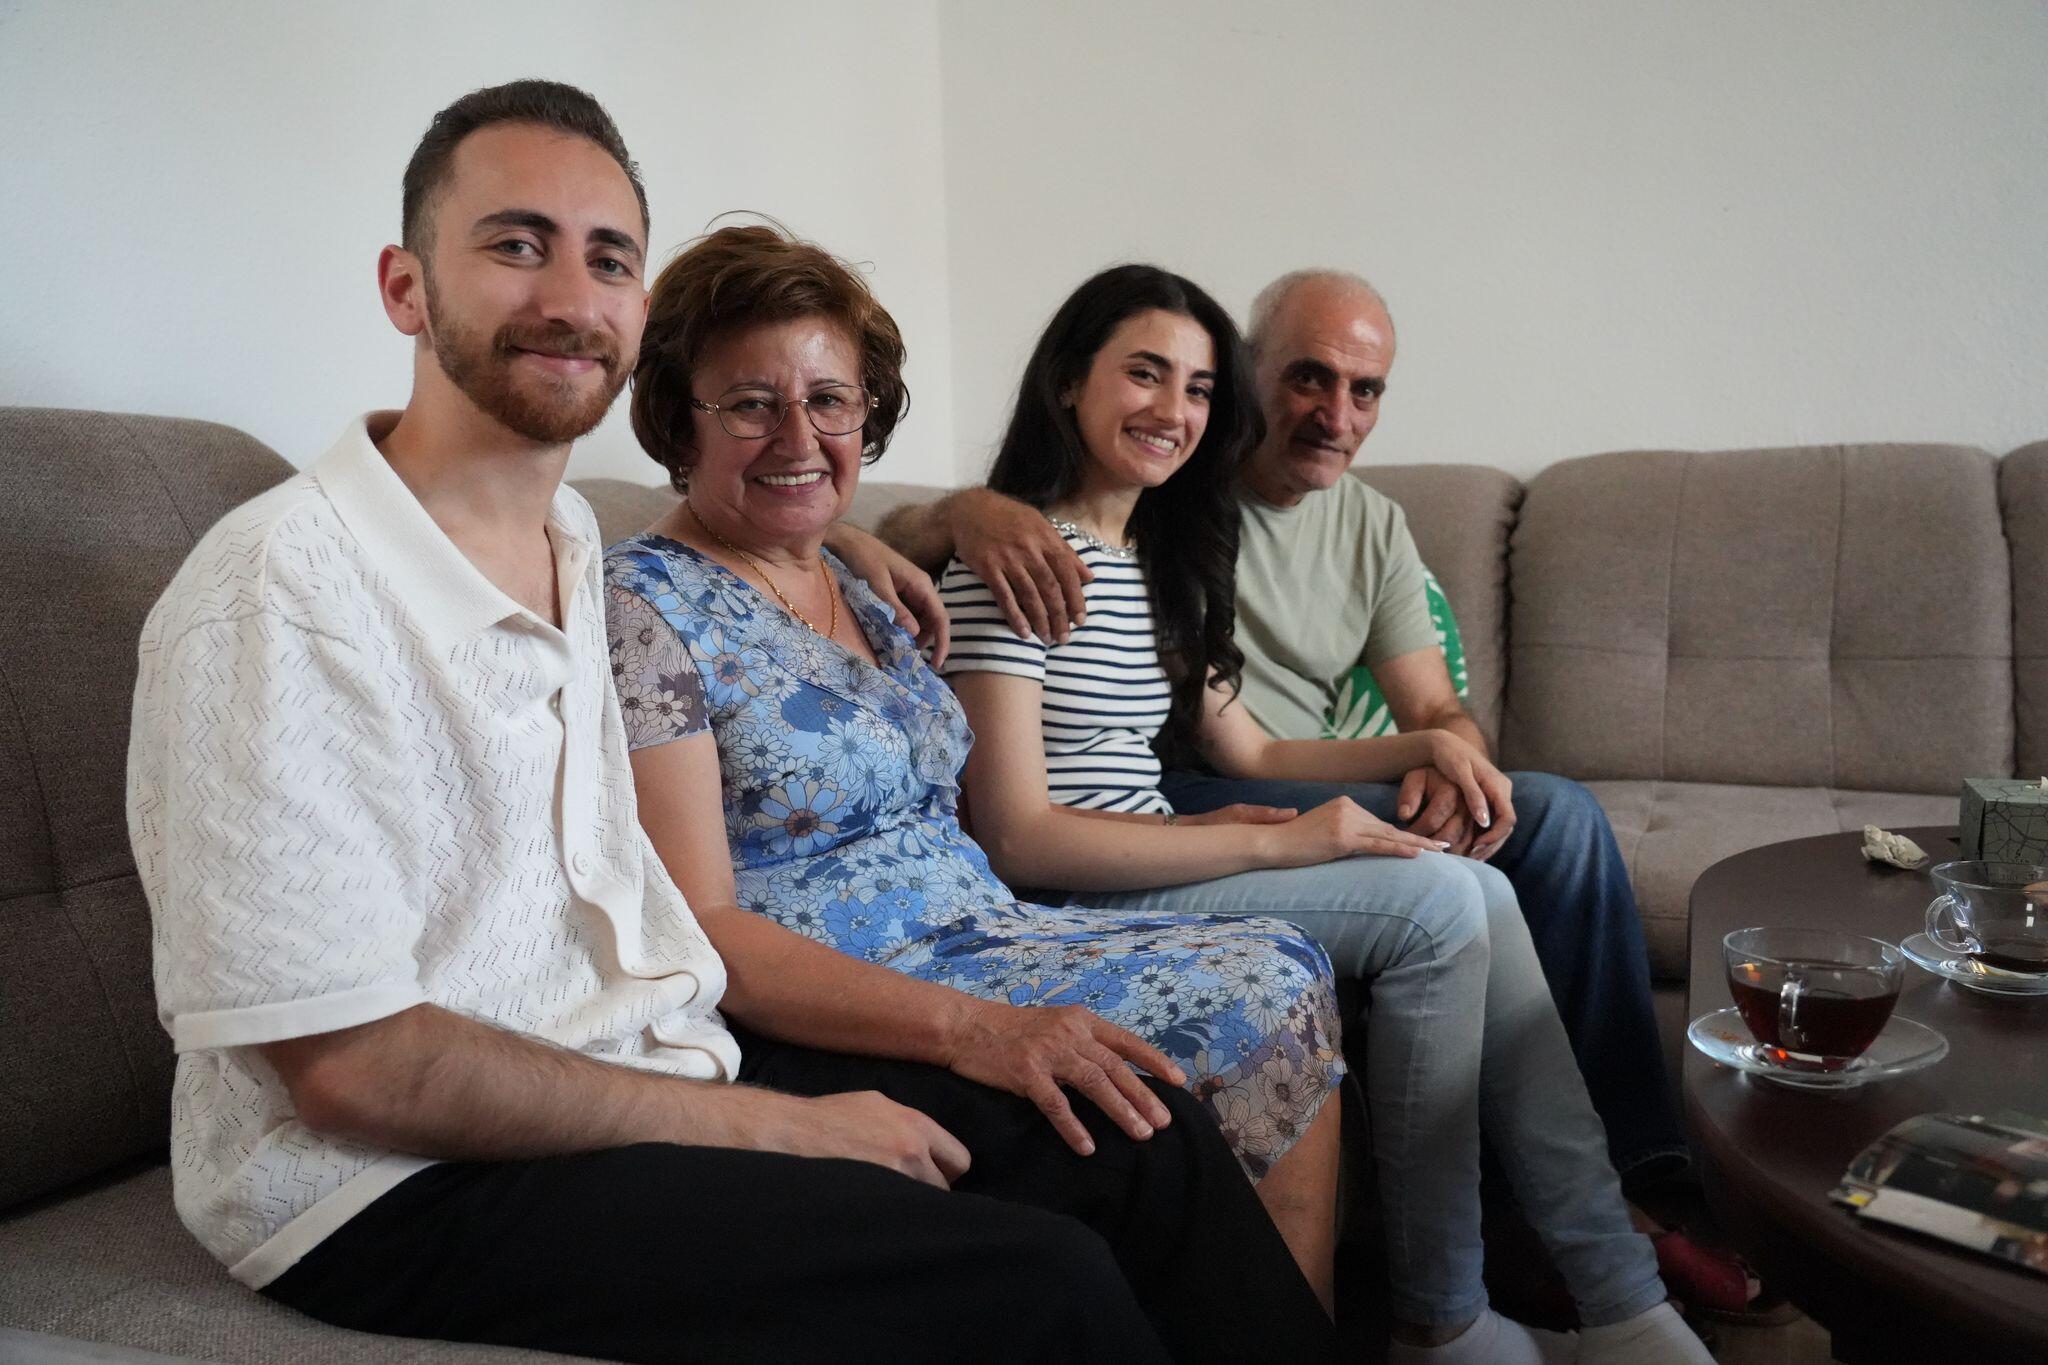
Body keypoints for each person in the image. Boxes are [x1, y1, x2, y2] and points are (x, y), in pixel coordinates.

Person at [128, 79, 1335, 1364]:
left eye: (608, 258)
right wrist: (780, 1126)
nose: (570, 296)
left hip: (640, 1059)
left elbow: (762, 552)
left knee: (1146, 1144)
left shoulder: (566, 542)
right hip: (381, 1185)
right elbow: (356, 1074)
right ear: (406, 288)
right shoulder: (281, 593)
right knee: (1037, 1283)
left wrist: (874, 536)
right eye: (515, 244)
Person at [931, 263, 1712, 1365]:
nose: (1173, 409)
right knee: (1446, 906)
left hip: (1164, 848)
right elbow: (1015, 838)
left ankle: (1616, 1293)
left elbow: (1250, 750)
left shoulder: (1156, 562)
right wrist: (1273, 837)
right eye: (1144, 374)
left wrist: (1426, 742)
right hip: (1075, 896)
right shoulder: (1012, 565)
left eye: (1196, 387)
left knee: (1476, 888)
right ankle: (1447, 1317)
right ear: (1069, 381)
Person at [603, 222, 1354, 1308]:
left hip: (985, 923)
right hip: (857, 983)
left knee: (1281, 964)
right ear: (679, 419)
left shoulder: (857, 578)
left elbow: (866, 540)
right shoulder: (643, 607)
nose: (798, 436)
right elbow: (701, 925)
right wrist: (982, 1032)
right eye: (751, 404)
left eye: (830, 400)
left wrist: (875, 537)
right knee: (1240, 1001)